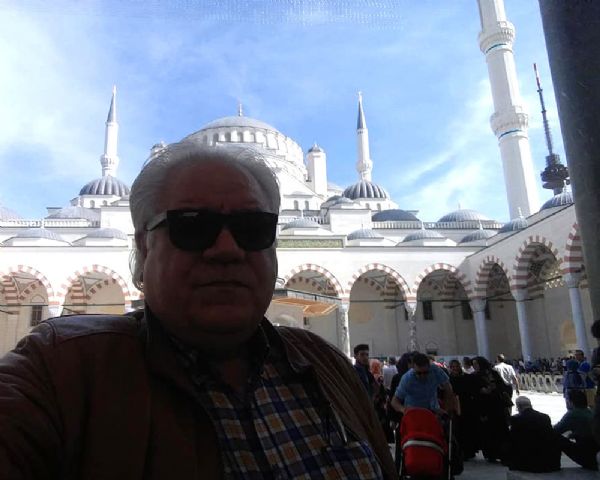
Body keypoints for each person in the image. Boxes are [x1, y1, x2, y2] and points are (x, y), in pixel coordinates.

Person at [0, 142, 396, 479]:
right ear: (144, 246)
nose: (227, 249)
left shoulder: (324, 365)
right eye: (192, 226)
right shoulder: (62, 371)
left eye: (252, 228)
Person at [506, 396, 561, 472]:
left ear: (518, 407)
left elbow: (513, 439)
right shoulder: (545, 417)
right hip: (547, 460)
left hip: (528, 461)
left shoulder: (516, 419)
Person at [472, 356, 510, 463]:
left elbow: (502, 386)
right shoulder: (475, 376)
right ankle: (491, 454)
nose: (475, 366)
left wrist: (493, 389)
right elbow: (474, 391)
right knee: (488, 432)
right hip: (484, 407)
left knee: (499, 430)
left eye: (476, 364)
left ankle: (503, 453)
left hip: (496, 406)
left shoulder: (493, 374)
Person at [391, 352, 455, 414]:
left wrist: (447, 409)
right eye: (418, 373)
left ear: (429, 366)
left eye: (426, 372)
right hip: (415, 413)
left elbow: (448, 388)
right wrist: (404, 410)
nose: (422, 376)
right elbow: (394, 401)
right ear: (413, 368)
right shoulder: (407, 378)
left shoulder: (435, 370)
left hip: (434, 410)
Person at [554, 389, 599, 470]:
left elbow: (556, 430)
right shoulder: (590, 412)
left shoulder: (572, 414)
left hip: (585, 453)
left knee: (556, 438)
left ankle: (553, 464)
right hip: (595, 449)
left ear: (571, 402)